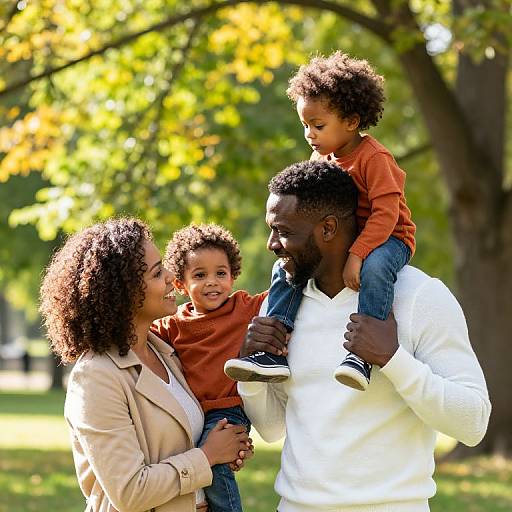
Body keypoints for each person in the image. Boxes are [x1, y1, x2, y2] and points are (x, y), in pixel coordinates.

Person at [237, 160, 491, 511]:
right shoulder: (280, 306)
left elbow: (473, 422)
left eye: (283, 231)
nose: (271, 244)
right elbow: (271, 428)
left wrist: (392, 358)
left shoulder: (419, 296)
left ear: (327, 228)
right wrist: (251, 372)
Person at [225, 51, 416, 391]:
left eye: (318, 125)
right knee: (285, 266)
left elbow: (386, 213)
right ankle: (275, 345)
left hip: (390, 238)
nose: (309, 134)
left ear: (352, 121)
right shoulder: (322, 158)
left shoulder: (375, 158)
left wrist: (358, 254)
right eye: (305, 125)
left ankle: (362, 351)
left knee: (373, 270)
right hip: (358, 237)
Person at [40, 218, 252, 512]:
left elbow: (181, 446)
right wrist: (207, 457)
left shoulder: (167, 352)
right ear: (123, 291)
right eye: (156, 273)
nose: (170, 277)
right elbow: (129, 492)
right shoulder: (96, 377)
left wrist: (228, 445)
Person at [151, 224, 267, 512]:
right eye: (200, 275)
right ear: (179, 284)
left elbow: (280, 293)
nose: (212, 282)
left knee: (215, 468)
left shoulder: (244, 307)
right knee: (194, 466)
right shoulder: (173, 324)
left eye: (220, 273)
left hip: (229, 408)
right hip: (191, 412)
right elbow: (141, 336)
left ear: (233, 275)